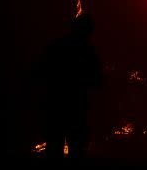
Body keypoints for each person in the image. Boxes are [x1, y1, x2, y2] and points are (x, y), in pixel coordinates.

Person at [39, 12, 102, 159]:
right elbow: (97, 80)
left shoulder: (58, 46)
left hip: (56, 103)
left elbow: (42, 70)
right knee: (75, 148)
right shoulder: (88, 51)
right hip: (74, 104)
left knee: (56, 146)